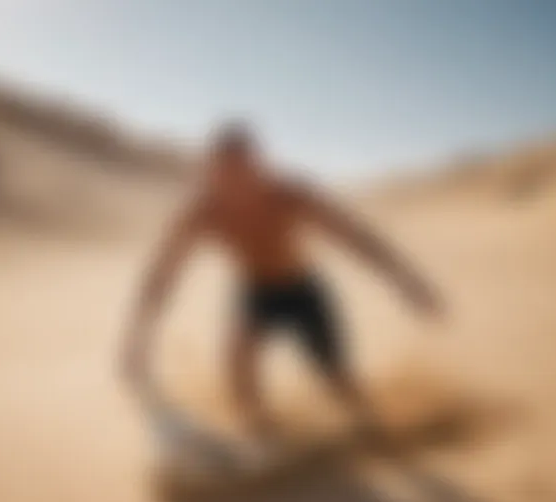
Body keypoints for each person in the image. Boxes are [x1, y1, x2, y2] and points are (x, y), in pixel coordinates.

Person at [120, 121, 443, 444]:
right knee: (238, 367)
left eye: (242, 171)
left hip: (303, 290)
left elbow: (356, 238)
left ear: (257, 166)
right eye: (223, 172)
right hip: (255, 292)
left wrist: (408, 282)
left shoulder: (289, 196)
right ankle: (263, 442)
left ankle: (375, 429)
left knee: (336, 378)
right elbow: (162, 274)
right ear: (211, 172)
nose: (234, 184)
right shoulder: (202, 211)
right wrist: (139, 338)